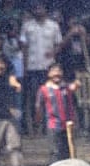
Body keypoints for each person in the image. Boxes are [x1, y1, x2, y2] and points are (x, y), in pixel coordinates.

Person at [19, 2, 58, 134]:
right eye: (36, 8)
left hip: (48, 67)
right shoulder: (27, 26)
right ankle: (36, 127)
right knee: (35, 98)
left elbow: (58, 43)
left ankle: (48, 127)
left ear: (46, 10)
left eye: (41, 8)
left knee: (50, 97)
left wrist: (54, 52)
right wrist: (24, 67)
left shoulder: (53, 25)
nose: (38, 10)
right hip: (32, 67)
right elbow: (23, 47)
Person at [33, 63, 77, 160]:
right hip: (53, 125)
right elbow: (38, 106)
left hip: (67, 125)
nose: (56, 74)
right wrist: (38, 122)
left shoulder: (66, 88)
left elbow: (71, 104)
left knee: (67, 152)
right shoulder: (44, 89)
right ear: (48, 74)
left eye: (59, 71)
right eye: (53, 71)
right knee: (55, 152)